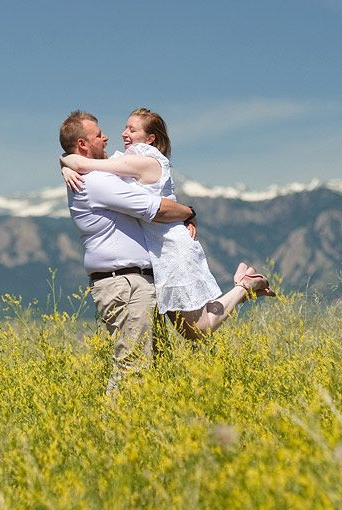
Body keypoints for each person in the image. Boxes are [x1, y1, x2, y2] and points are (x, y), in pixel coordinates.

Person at [61, 108, 274, 341]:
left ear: (150, 138)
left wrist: (69, 162)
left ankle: (244, 287)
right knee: (191, 330)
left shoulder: (145, 161)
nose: (121, 134)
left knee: (196, 330)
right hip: (159, 254)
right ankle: (245, 286)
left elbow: (92, 166)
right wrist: (66, 163)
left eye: (132, 129)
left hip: (170, 248)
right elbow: (89, 162)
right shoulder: (126, 163)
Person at [59, 110, 200, 392]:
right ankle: (110, 431)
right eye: (99, 135)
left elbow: (71, 155)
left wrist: (64, 163)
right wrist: (189, 212)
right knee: (133, 366)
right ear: (84, 145)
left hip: (133, 281)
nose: (107, 137)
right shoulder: (95, 181)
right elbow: (156, 208)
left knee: (156, 367)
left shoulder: (92, 173)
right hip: (126, 283)